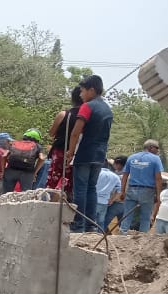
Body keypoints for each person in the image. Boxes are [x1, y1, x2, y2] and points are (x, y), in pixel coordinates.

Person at [65, 75, 113, 233]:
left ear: (92, 90)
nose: (80, 95)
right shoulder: (107, 109)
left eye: (83, 91)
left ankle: (78, 224)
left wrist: (70, 152)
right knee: (92, 189)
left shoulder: (87, 107)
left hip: (85, 153)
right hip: (100, 155)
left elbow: (75, 133)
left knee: (80, 189)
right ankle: (91, 225)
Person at [120, 140, 165, 233]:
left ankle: (122, 234)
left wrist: (122, 191)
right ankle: (142, 238)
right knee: (145, 218)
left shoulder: (132, 157)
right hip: (147, 191)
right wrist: (159, 194)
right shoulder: (155, 159)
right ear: (151, 147)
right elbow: (158, 179)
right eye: (157, 148)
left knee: (127, 215)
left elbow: (124, 176)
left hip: (132, 189)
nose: (158, 151)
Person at [47, 87, 82, 196]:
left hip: (59, 152)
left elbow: (51, 133)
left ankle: (50, 201)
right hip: (76, 154)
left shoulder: (64, 114)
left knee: (54, 179)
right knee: (68, 182)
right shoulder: (86, 117)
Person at [94, 164, 122, 233]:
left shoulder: (96, 173)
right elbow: (120, 191)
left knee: (91, 220)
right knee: (101, 221)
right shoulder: (115, 176)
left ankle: (90, 235)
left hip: (94, 200)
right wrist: (112, 200)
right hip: (105, 202)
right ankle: (100, 235)